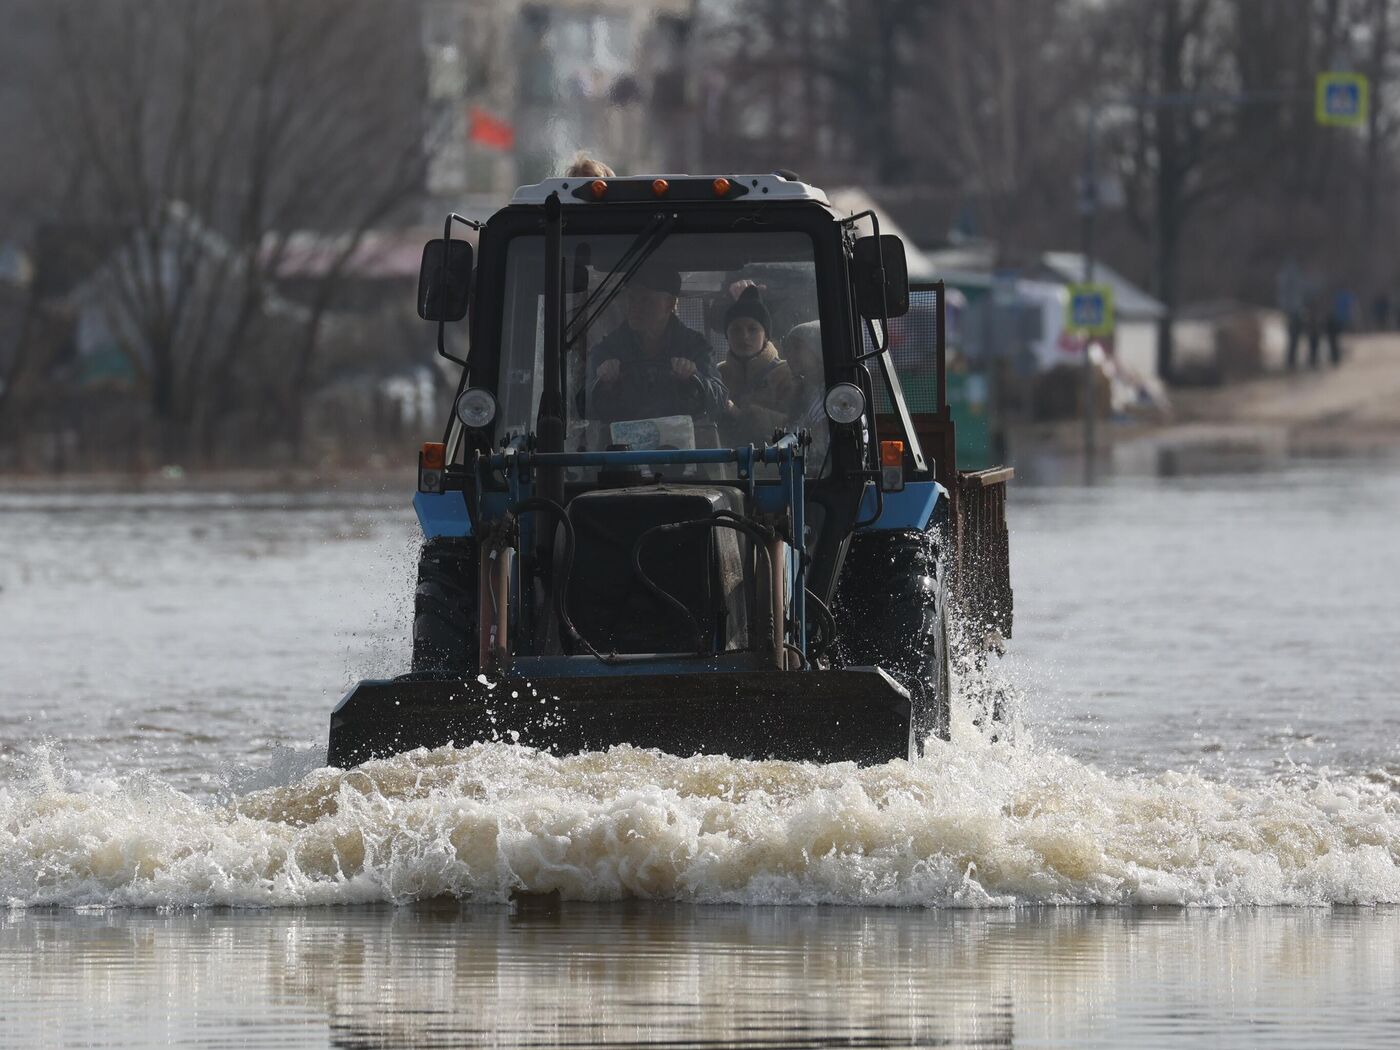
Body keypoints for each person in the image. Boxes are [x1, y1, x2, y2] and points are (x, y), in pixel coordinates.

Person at [584, 262, 727, 423]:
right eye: (631, 298)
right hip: (620, 445)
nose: (635, 306)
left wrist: (694, 379)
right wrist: (603, 385)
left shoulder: (694, 347)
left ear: (670, 304)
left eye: (646, 300)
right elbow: (581, 409)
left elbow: (720, 402)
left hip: (686, 445)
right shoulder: (609, 349)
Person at [718, 287, 799, 442]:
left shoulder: (787, 374)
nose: (744, 336)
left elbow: (795, 427)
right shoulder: (718, 375)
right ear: (726, 336)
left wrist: (741, 415)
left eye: (753, 329)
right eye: (736, 330)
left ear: (766, 335)